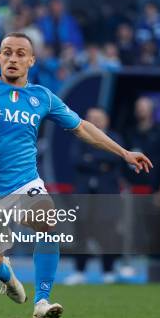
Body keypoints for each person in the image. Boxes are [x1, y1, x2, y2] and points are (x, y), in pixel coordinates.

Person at [0, 32, 152, 318]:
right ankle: (7, 275)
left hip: (23, 181)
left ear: (31, 60)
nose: (13, 58)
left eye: (20, 53)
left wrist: (123, 152)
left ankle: (42, 302)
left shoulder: (41, 97)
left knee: (48, 221)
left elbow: (82, 127)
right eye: (7, 52)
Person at [65, 108, 123, 285]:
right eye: (91, 118)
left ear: (107, 121)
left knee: (107, 232)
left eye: (99, 118)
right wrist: (100, 163)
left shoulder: (115, 138)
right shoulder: (80, 137)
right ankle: (80, 271)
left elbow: (114, 158)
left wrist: (90, 159)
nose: (95, 122)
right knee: (81, 232)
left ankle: (108, 271)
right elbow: (76, 160)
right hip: (84, 193)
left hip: (107, 194)